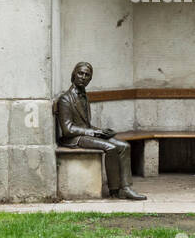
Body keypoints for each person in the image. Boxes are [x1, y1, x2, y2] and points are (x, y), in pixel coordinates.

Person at [55, 61, 146, 201]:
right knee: (110, 147)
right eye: (80, 73)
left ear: (90, 79)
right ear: (74, 74)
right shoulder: (65, 99)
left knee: (124, 146)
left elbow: (85, 124)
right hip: (74, 139)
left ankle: (126, 188)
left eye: (87, 75)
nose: (83, 77)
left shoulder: (84, 96)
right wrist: (93, 133)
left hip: (86, 133)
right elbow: (68, 129)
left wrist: (101, 131)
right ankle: (114, 190)